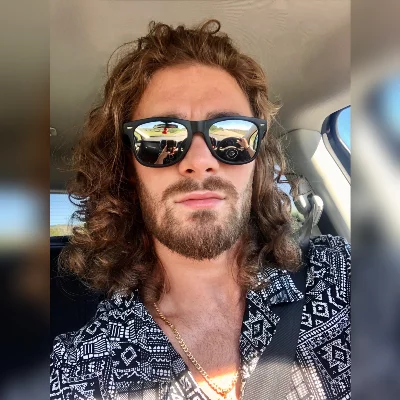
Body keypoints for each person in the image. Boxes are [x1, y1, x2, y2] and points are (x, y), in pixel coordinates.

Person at [50, 20, 350, 400]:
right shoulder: (77, 375)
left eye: (231, 135)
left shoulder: (341, 275)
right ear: (127, 168)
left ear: (257, 161)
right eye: (160, 137)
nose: (200, 161)